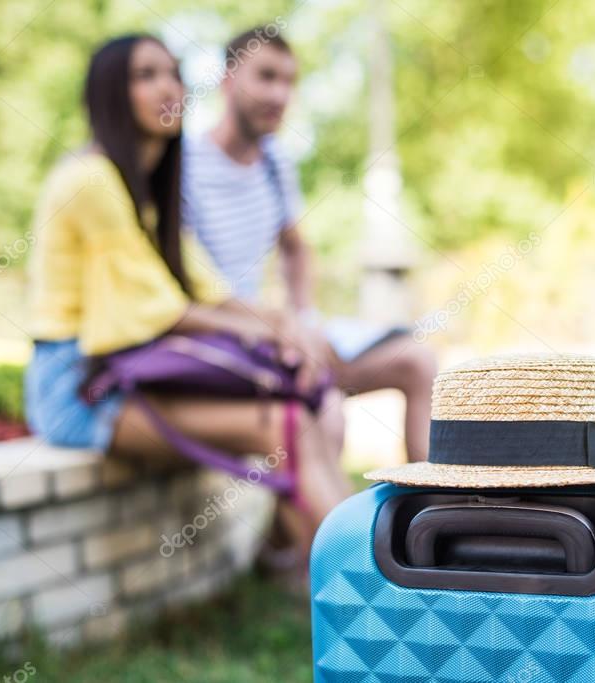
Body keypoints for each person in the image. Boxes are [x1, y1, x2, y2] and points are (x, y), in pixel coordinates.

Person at [24, 34, 352, 560]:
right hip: (80, 389)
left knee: (305, 417)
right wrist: (269, 333)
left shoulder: (148, 193)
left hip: (131, 373)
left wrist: (287, 327)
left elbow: (210, 291)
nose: (168, 87)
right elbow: (153, 311)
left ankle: (347, 591)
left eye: (173, 73)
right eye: (146, 75)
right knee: (289, 424)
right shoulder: (88, 180)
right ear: (110, 93)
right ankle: (364, 601)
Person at [182, 26, 437, 463]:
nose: (280, 95)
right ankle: (311, 533)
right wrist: (282, 327)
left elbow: (296, 248)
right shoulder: (184, 164)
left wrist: (304, 317)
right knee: (327, 413)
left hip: (278, 331)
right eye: (265, 76)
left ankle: (427, 517)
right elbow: (186, 285)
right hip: (225, 337)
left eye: (289, 82)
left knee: (419, 361)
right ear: (226, 79)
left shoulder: (275, 163)